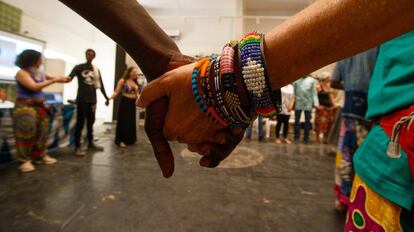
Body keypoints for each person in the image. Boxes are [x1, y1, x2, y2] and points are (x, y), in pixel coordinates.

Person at [331, 47, 378, 211]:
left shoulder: (346, 49)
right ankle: (362, 202)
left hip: (349, 110)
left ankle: (343, 198)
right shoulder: (379, 45)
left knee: (346, 154)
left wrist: (351, 86)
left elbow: (333, 81)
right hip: (370, 110)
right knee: (367, 156)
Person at [13, 49, 69, 172]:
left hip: (39, 106)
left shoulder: (39, 72)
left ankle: (40, 155)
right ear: (32, 61)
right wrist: (53, 80)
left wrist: (64, 79)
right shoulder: (21, 73)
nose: (41, 61)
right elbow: (33, 87)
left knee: (42, 131)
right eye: (39, 59)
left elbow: (55, 78)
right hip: (25, 107)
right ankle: (24, 160)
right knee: (26, 131)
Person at [68, 49, 110, 156]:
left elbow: (101, 85)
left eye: (91, 54)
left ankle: (90, 142)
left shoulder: (96, 70)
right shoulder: (79, 67)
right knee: (80, 123)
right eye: (88, 54)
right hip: (82, 99)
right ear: (85, 55)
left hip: (92, 100)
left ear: (94, 56)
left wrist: (106, 97)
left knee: (91, 122)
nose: (89, 56)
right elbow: (69, 77)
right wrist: (58, 79)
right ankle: (77, 146)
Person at [109, 67, 140, 147]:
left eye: (136, 72)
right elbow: (116, 91)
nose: (135, 74)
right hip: (125, 102)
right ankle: (120, 140)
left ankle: (130, 140)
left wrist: (142, 101)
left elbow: (137, 96)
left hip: (132, 103)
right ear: (129, 72)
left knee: (131, 121)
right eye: (133, 72)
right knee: (124, 121)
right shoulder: (123, 81)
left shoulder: (135, 82)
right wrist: (109, 98)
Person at [292, 75, 319, 144]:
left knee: (307, 121)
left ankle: (306, 138)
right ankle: (296, 137)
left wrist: (316, 102)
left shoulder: (312, 80)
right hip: (298, 102)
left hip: (308, 103)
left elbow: (314, 93)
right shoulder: (296, 80)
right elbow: (293, 93)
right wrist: (291, 102)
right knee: (297, 121)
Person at [314, 76, 335, 144]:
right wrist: (317, 105)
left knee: (328, 124)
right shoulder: (319, 86)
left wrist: (333, 105)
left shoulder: (329, 87)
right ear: (325, 79)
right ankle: (317, 139)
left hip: (328, 108)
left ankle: (326, 138)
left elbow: (330, 97)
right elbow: (315, 96)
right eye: (328, 79)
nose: (330, 80)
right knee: (319, 123)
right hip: (321, 108)